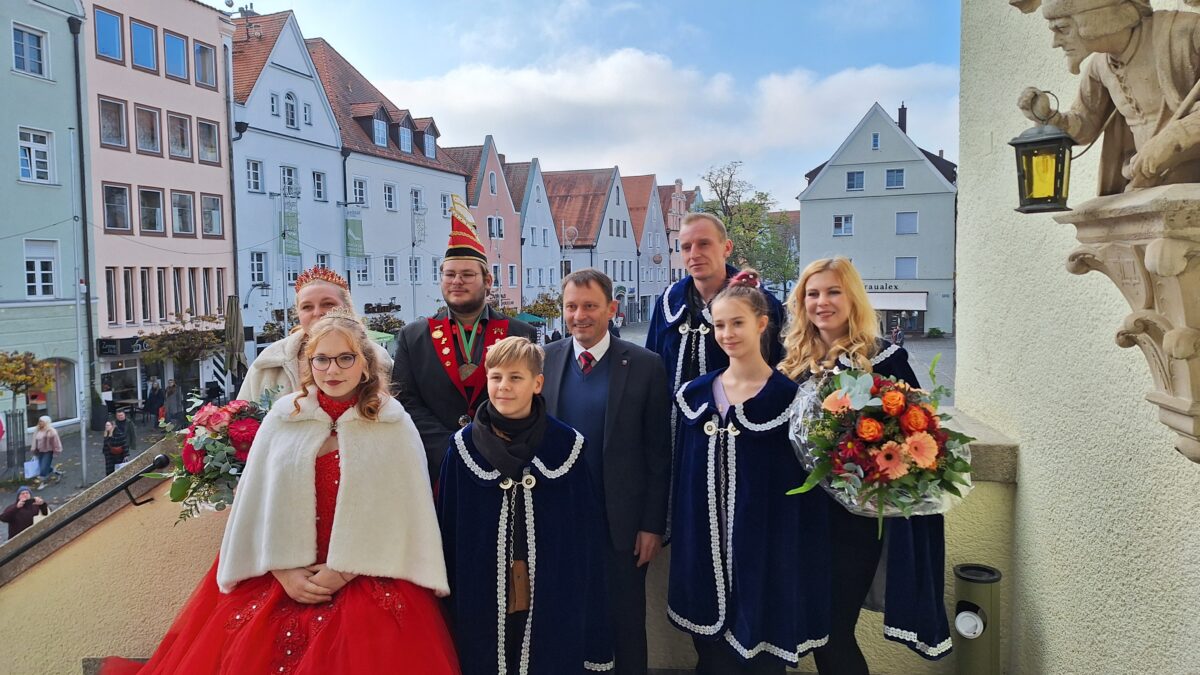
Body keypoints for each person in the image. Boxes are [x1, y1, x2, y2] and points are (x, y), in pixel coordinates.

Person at [102, 309, 458, 674]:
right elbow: (257, 502)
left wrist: (346, 569)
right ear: (309, 364)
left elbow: (404, 512)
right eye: (321, 359)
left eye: (345, 358)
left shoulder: (391, 422)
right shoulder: (284, 416)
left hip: (367, 574)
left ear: (365, 365)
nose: (332, 370)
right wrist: (283, 569)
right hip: (282, 575)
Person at [779, 257, 951, 673]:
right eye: (813, 294)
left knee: (835, 632)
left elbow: (917, 438)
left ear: (852, 297)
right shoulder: (790, 360)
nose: (822, 302)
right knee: (813, 630)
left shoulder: (884, 360)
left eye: (833, 291)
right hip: (801, 518)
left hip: (853, 523)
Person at [668, 269, 830, 675]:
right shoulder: (695, 395)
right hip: (703, 549)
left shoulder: (788, 398)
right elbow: (684, 475)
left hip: (764, 551)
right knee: (711, 657)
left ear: (761, 324)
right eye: (719, 325)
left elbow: (799, 487)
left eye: (737, 323)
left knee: (760, 659)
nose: (727, 334)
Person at [437, 336, 612, 674]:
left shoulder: (566, 446)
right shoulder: (462, 449)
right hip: (481, 589)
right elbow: (449, 528)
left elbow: (584, 534)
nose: (504, 387)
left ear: (537, 383)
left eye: (515, 378)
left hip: (551, 588)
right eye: (496, 377)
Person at [541, 269, 670, 675]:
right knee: (568, 621)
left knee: (626, 624)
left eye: (590, 306)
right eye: (571, 306)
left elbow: (658, 454)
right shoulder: (546, 358)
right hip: (562, 523)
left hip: (623, 528)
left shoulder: (646, 366)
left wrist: (652, 525)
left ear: (612, 309)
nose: (580, 315)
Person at [394, 196, 536, 480]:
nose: (457, 281)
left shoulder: (520, 334)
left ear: (488, 281)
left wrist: (489, 445)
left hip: (502, 461)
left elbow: (528, 397)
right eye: (450, 274)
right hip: (437, 466)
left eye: (467, 274)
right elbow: (406, 401)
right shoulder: (414, 336)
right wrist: (450, 448)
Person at [1017, 0, 1200, 193]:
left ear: (1096, 18)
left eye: (1063, 28)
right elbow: (1085, 124)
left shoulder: (1185, 32)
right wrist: (1050, 118)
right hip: (1143, 182)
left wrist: (1174, 138)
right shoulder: (1100, 66)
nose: (1055, 43)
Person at [645, 213, 786, 427]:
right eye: (686, 247)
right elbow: (652, 371)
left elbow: (778, 368)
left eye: (704, 244)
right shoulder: (668, 302)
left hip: (739, 429)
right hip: (675, 435)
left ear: (726, 248)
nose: (694, 254)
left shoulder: (759, 302)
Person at [237, 266, 392, 403]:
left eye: (328, 304)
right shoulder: (270, 360)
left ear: (347, 308)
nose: (317, 312)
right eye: (307, 307)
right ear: (297, 313)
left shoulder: (379, 358)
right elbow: (241, 418)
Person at [31, 416, 63, 488]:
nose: (39, 423)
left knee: (43, 468)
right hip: (39, 451)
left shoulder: (51, 432)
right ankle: (57, 472)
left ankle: (43, 482)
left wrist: (56, 451)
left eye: (41, 421)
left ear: (46, 422)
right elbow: (34, 440)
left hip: (48, 451)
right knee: (44, 466)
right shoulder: (37, 430)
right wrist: (34, 449)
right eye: (39, 421)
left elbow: (56, 442)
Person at [104, 411, 137, 475]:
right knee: (111, 465)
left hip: (123, 444)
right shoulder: (113, 424)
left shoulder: (129, 423)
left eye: (121, 415)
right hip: (112, 449)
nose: (120, 417)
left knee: (121, 462)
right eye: (119, 416)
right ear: (116, 416)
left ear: (124, 415)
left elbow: (133, 433)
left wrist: (133, 445)